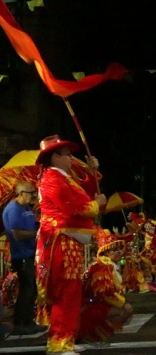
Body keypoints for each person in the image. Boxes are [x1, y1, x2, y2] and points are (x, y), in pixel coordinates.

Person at [35, 135, 106, 355]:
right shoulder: (51, 179)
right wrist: (96, 205)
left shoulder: (63, 178)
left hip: (69, 243)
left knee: (72, 293)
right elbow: (74, 207)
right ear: (55, 157)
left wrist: (93, 172)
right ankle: (58, 344)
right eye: (67, 155)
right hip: (59, 242)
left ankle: (66, 340)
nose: (71, 159)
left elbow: (86, 191)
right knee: (65, 293)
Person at [3, 181, 46, 335]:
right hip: (22, 255)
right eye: (30, 192)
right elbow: (17, 234)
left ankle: (28, 320)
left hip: (30, 254)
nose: (33, 195)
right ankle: (21, 322)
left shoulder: (26, 208)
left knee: (32, 289)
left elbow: (32, 226)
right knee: (27, 290)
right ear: (20, 193)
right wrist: (38, 234)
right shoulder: (14, 209)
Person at [77, 230, 134, 346]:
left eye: (119, 249)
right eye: (114, 250)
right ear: (106, 253)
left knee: (124, 310)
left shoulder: (107, 265)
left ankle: (92, 336)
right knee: (125, 311)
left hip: (94, 303)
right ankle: (88, 336)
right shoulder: (103, 267)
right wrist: (123, 303)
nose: (119, 252)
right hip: (87, 306)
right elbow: (105, 293)